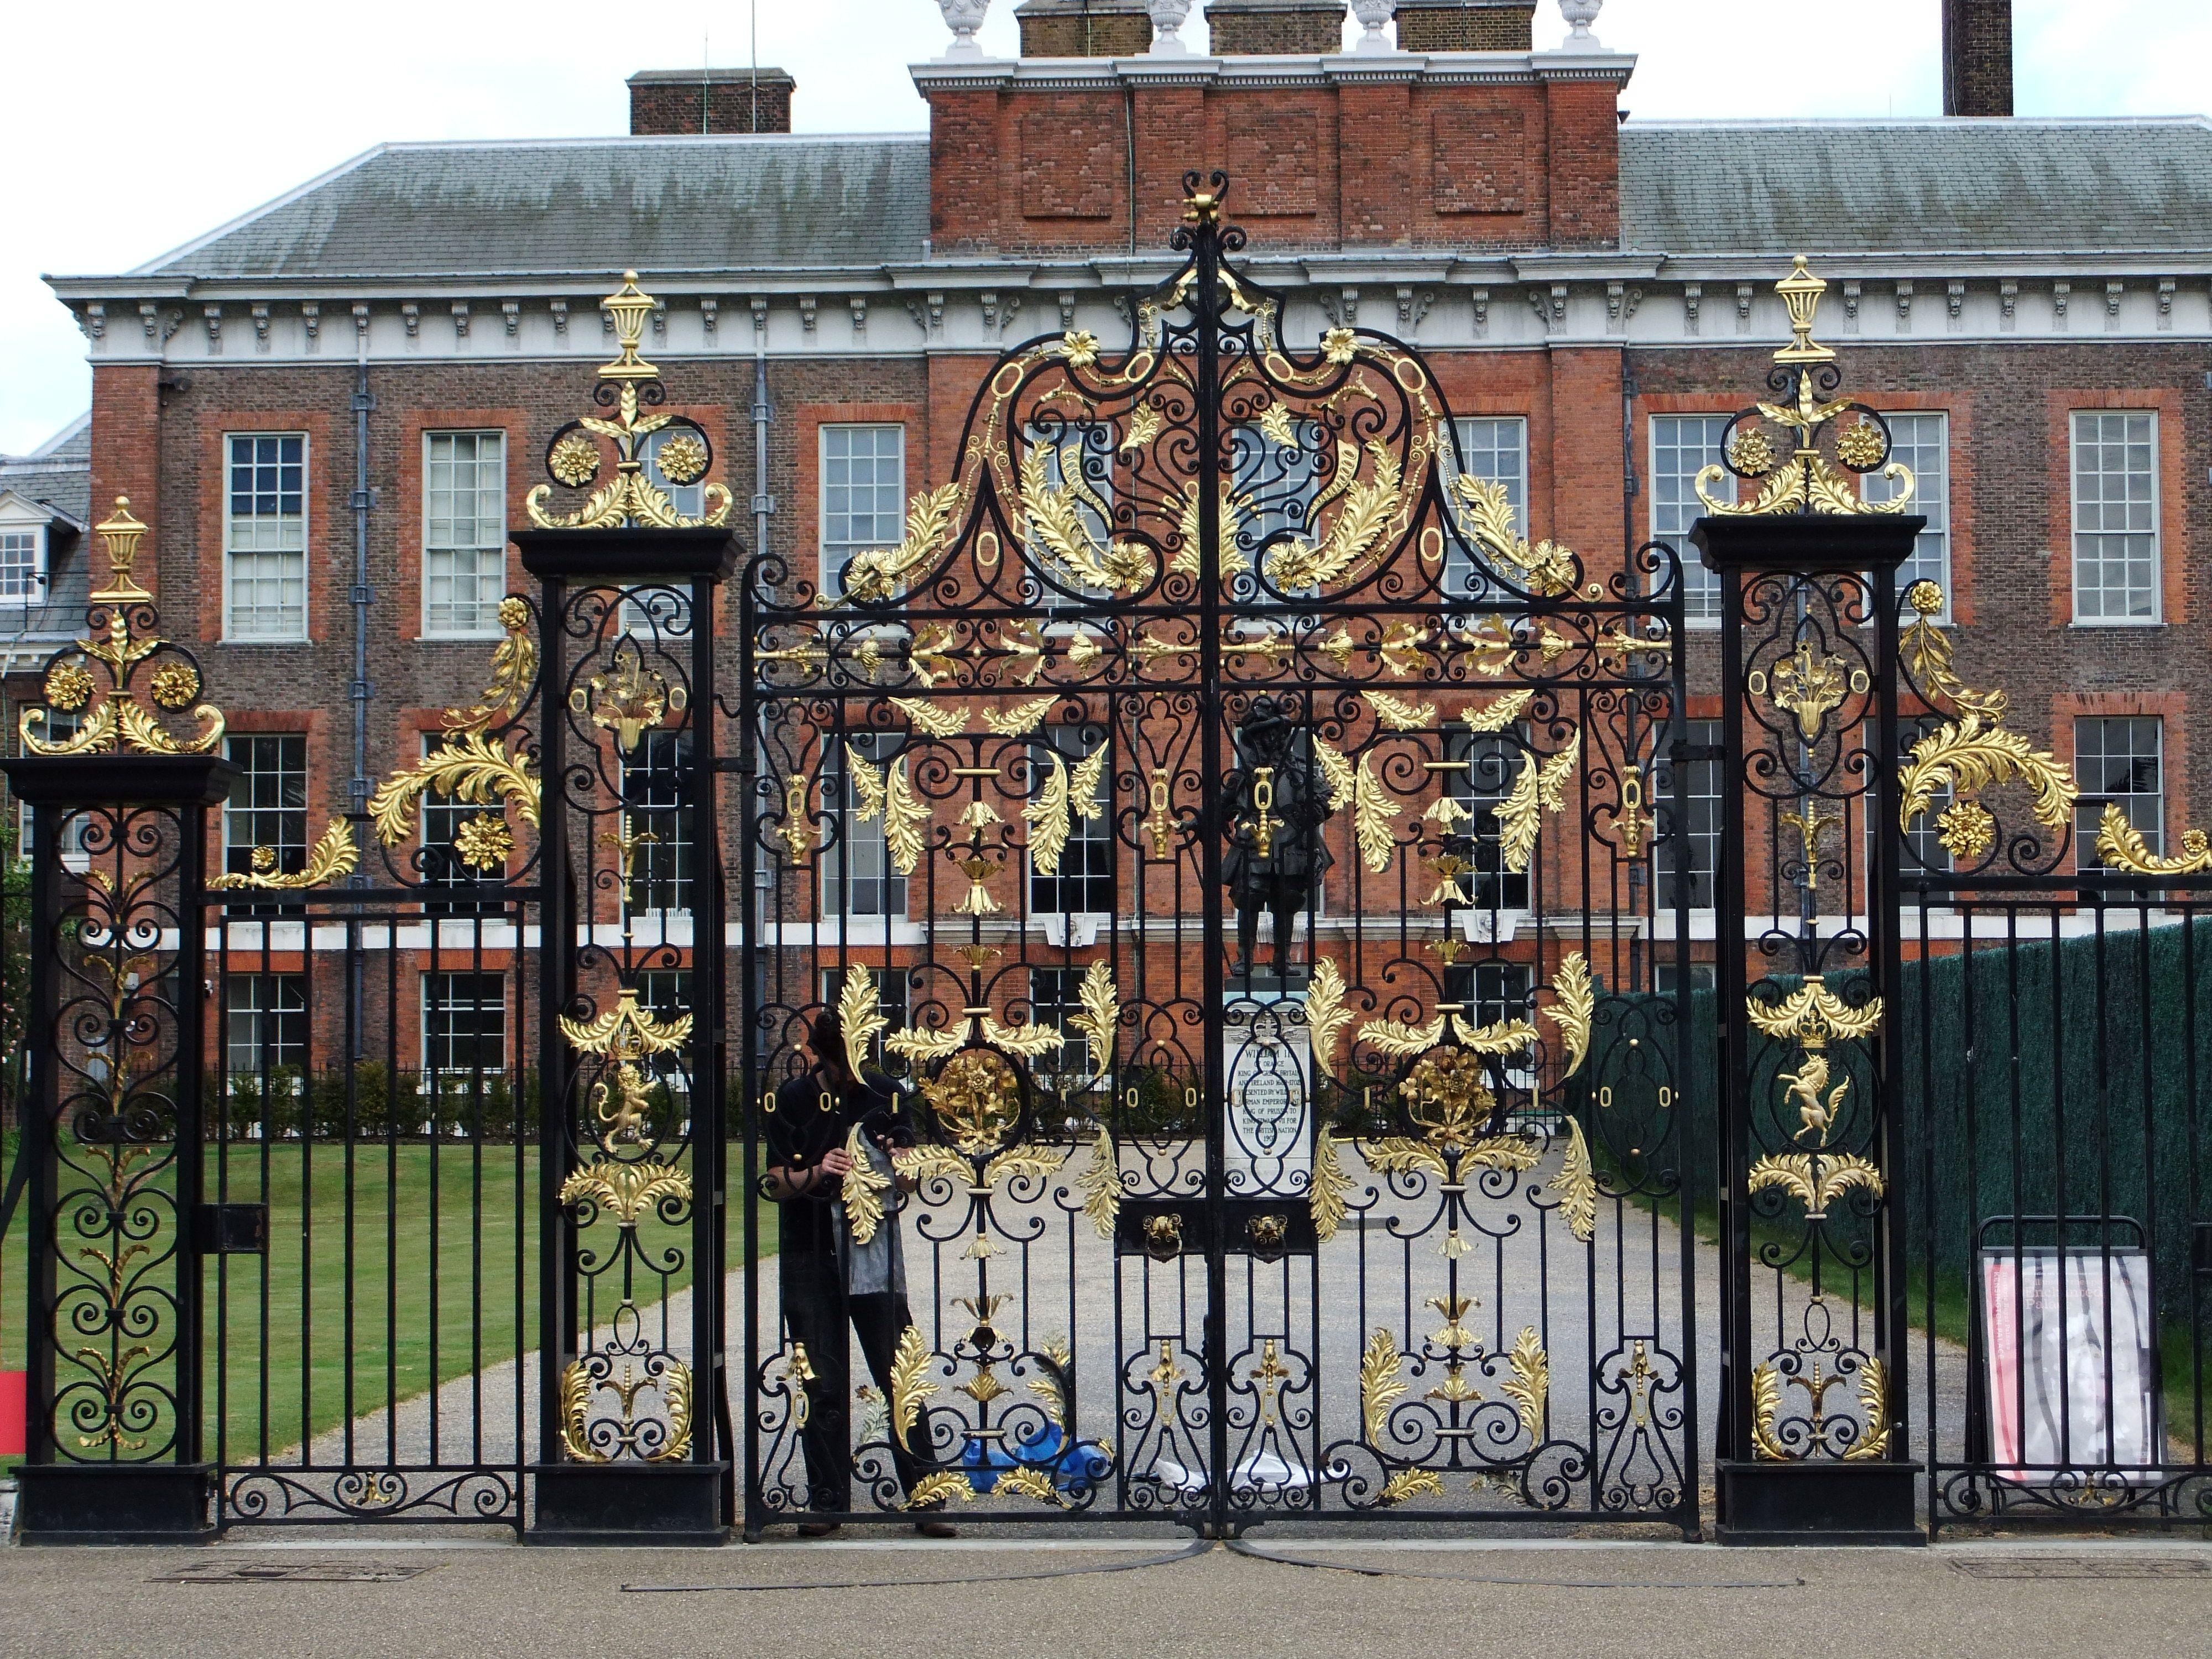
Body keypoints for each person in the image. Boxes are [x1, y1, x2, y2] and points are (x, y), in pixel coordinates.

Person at [763, 1005, 955, 1537]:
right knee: (819, 1377)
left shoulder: (886, 1091)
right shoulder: (793, 1098)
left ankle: (925, 1495)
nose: (852, 1072)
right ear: (818, 1054)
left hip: (873, 1247)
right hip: (810, 1247)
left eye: (858, 1057)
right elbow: (774, 1181)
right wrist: (815, 1171)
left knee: (899, 1373)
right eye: (841, 1061)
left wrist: (900, 1162)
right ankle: (828, 1500)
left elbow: (914, 1182)